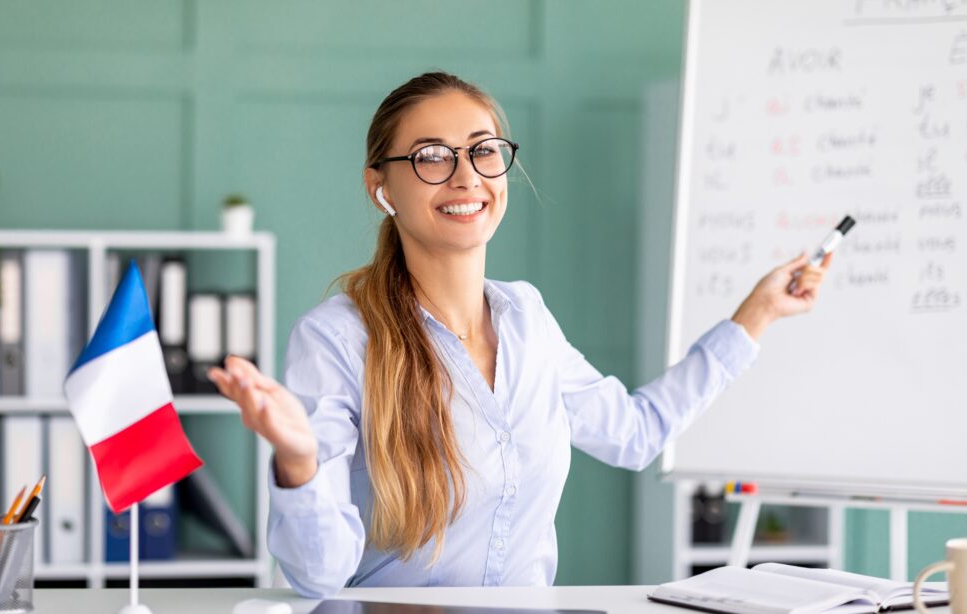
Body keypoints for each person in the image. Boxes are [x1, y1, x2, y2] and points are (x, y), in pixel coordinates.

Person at [208, 71, 831, 597]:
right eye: (430, 156)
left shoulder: (526, 318)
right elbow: (319, 577)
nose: (465, 175)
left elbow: (636, 433)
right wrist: (298, 462)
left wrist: (757, 315)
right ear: (381, 189)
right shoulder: (340, 338)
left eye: (482, 150)